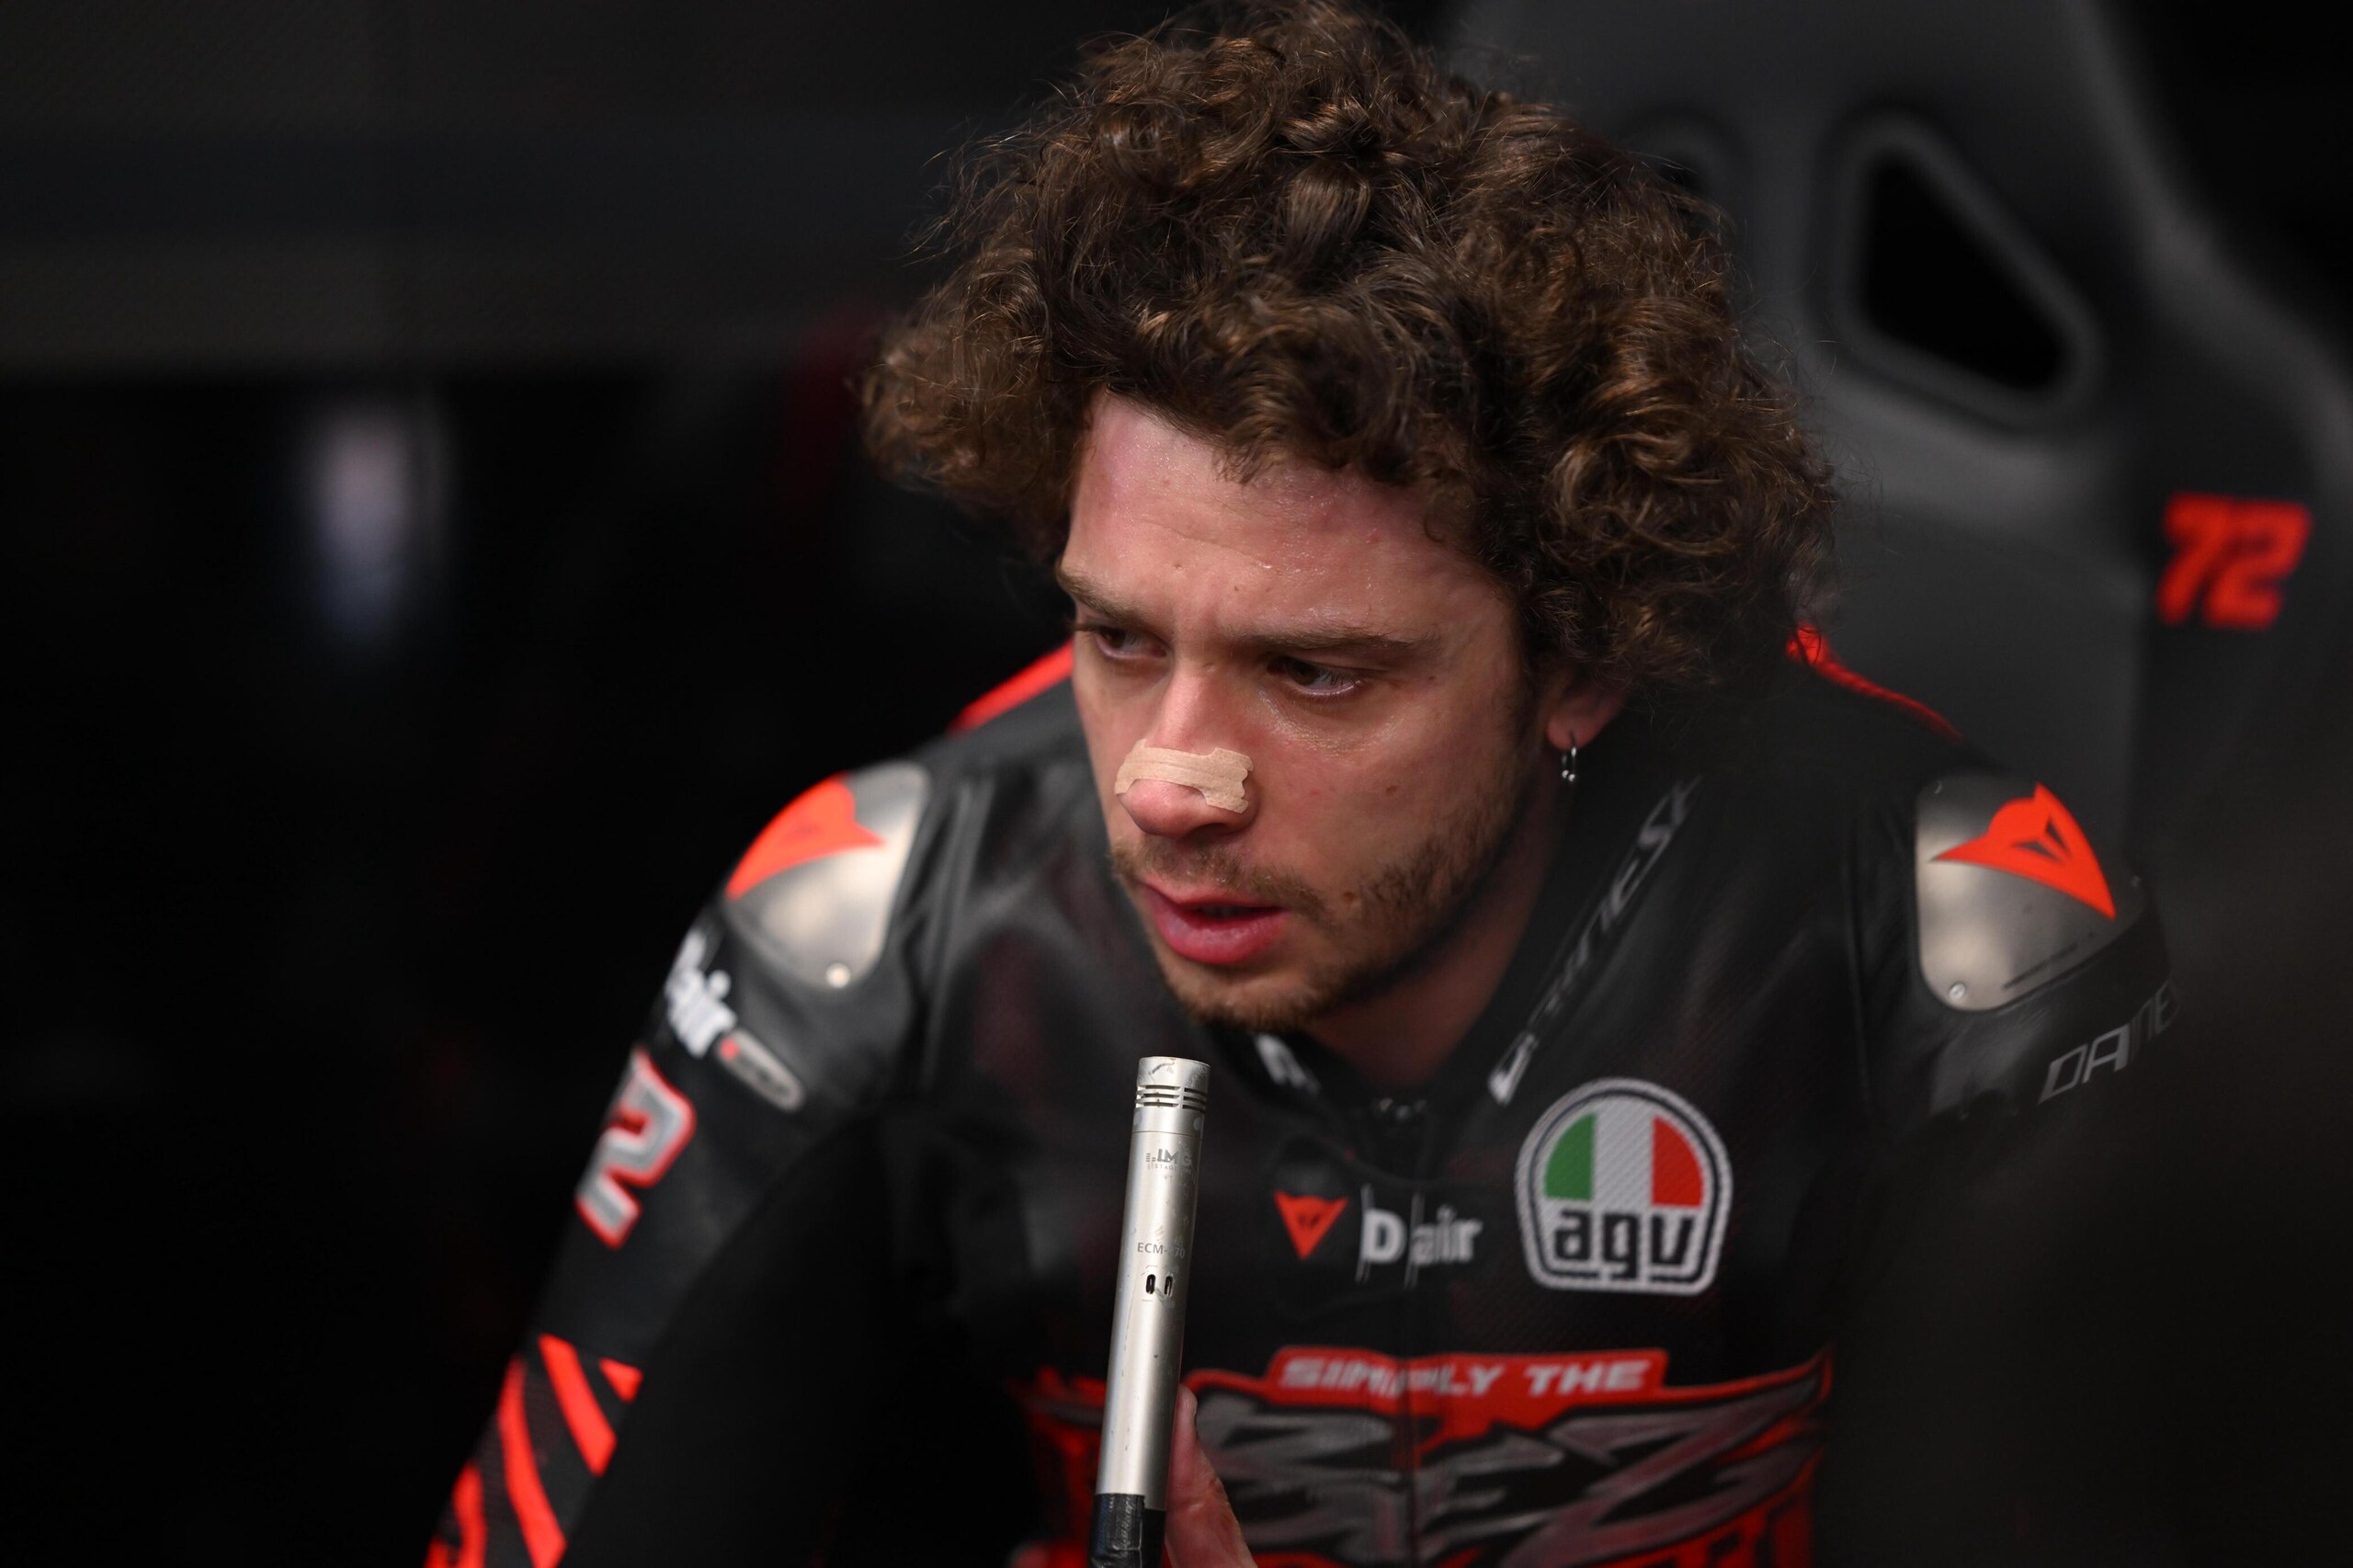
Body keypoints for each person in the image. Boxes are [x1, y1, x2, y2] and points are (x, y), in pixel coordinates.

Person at [425, 6, 2171, 1564]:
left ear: (1580, 660)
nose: (1171, 781)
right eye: (1120, 638)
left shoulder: (1949, 945)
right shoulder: (878, 935)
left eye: (1316, 671)